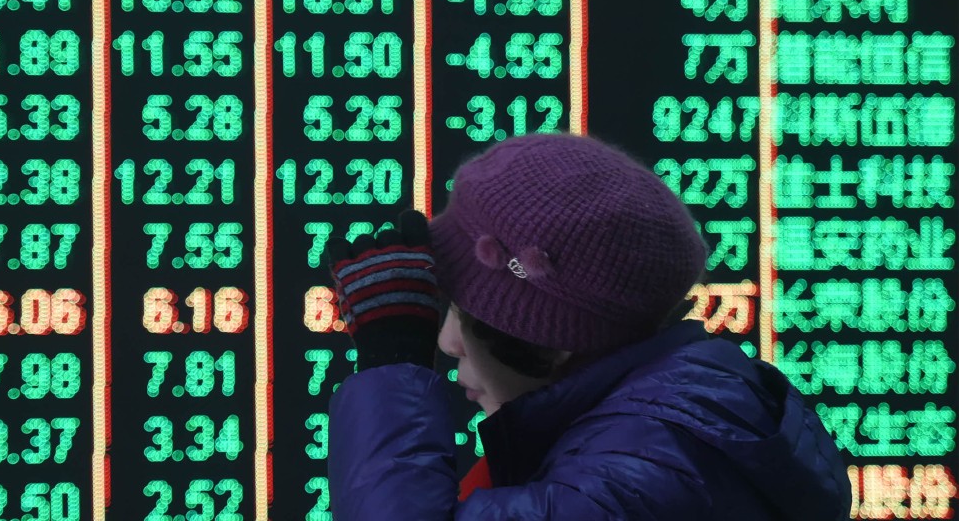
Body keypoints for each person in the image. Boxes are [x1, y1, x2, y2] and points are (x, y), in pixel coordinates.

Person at [327, 133, 851, 520]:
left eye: (467, 314)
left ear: (552, 344)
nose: (444, 341)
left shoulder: (640, 479)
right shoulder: (673, 426)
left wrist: (393, 361)